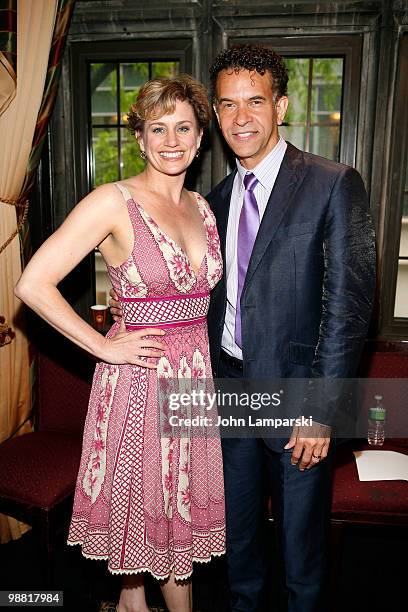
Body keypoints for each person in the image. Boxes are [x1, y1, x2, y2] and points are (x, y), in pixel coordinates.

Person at [15, 75, 226, 612]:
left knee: (170, 522)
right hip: (139, 382)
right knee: (146, 519)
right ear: (140, 138)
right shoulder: (113, 201)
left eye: (184, 127)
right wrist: (104, 348)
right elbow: (33, 284)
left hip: (193, 386)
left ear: (202, 137)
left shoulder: (203, 208)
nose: (172, 140)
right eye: (159, 128)